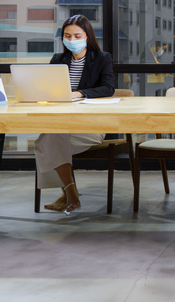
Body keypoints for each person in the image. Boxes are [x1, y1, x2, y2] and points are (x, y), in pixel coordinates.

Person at [34, 14, 115, 214]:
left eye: (77, 35)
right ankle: (70, 193)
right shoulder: (58, 59)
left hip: (89, 125)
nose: (72, 40)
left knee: (44, 143)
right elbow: (49, 88)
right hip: (62, 123)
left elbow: (108, 88)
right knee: (52, 136)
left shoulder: (102, 58)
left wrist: (79, 93)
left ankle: (68, 193)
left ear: (87, 36)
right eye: (67, 36)